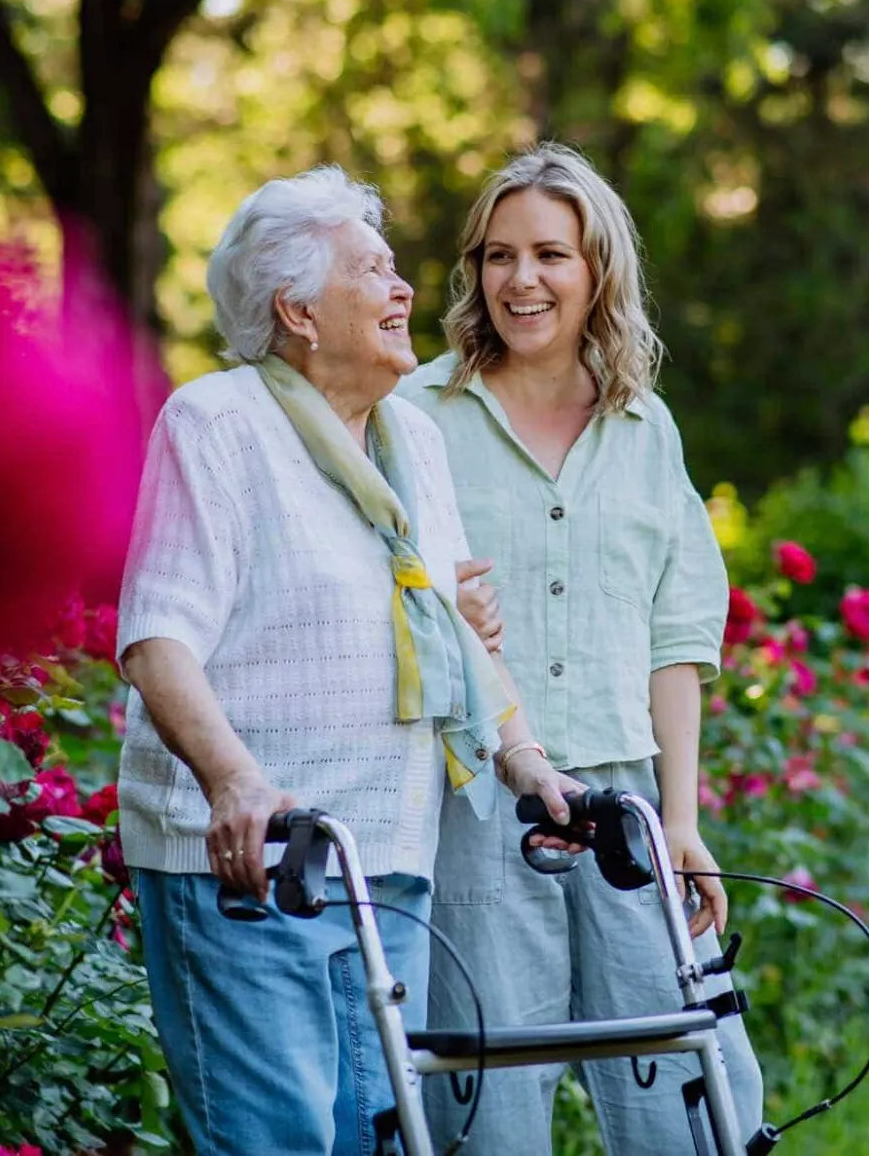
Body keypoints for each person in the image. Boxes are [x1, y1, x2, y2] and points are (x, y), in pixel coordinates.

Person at [114, 165, 581, 1155]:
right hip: (251, 864)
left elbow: (444, 624)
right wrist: (236, 780)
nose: (404, 289)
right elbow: (157, 638)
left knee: (372, 1138)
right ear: (296, 310)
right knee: (277, 1140)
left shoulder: (409, 437)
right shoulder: (219, 424)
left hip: (384, 861)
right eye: (372, 271)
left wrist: (524, 757)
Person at [399, 144, 765, 1152]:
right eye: (497, 255)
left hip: (626, 811)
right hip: (473, 806)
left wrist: (681, 821)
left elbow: (676, 638)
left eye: (550, 255)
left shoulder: (645, 429)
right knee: (485, 1113)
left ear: (597, 268)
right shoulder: (414, 418)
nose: (521, 280)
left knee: (694, 1106)